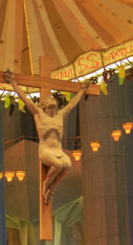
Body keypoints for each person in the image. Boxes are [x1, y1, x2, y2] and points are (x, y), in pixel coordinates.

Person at [5, 70, 86, 205]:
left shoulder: (60, 114)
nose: (51, 100)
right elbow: (24, 98)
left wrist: (82, 90)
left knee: (67, 165)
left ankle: (51, 188)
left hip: (58, 150)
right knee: (59, 164)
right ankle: (46, 184)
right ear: (43, 105)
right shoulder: (39, 113)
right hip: (45, 150)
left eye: (52, 99)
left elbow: (72, 105)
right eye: (48, 100)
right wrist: (13, 82)